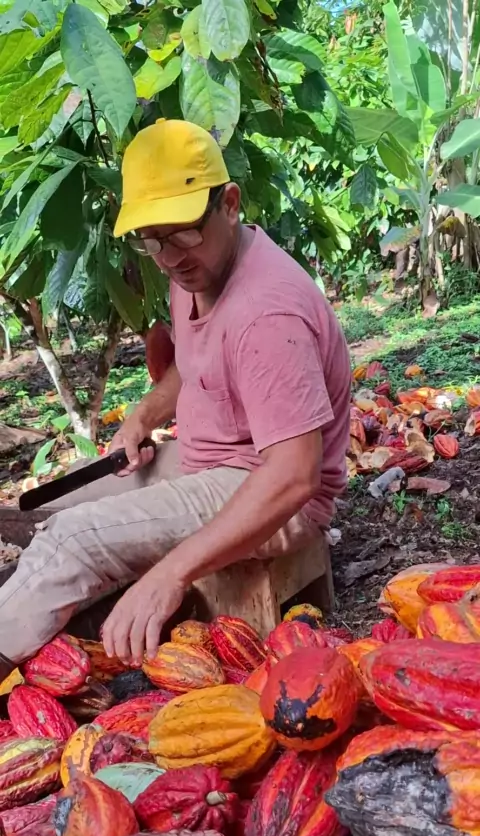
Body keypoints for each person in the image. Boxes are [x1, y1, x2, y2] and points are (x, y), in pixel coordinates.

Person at [0, 118, 351, 674]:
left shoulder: (267, 314)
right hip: (212, 461)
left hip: (271, 489)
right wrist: (142, 417)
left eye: (182, 233)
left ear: (229, 203)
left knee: (72, 539)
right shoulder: (195, 265)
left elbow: (294, 476)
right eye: (151, 239)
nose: (168, 256)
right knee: (60, 500)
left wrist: (172, 573)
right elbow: (193, 362)